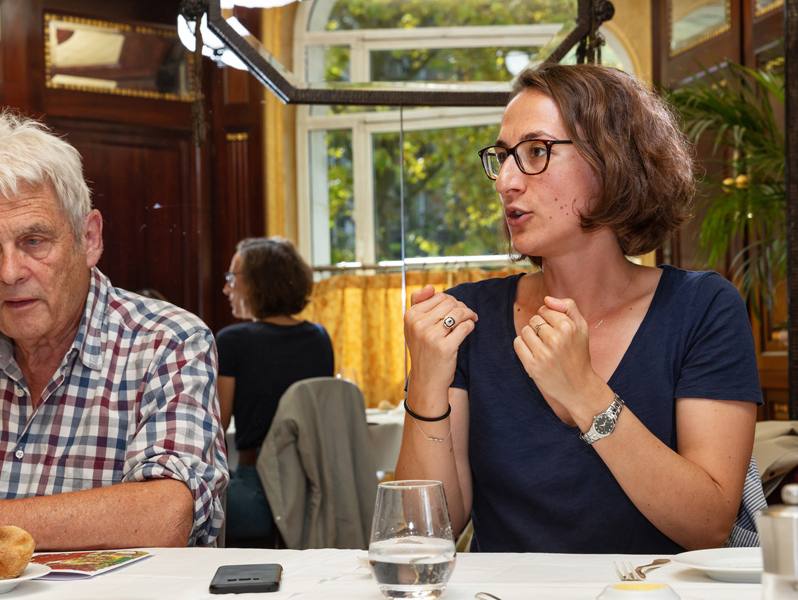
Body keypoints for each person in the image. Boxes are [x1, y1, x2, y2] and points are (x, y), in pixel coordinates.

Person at [396, 63, 765, 554]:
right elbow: (422, 540)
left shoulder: (702, 308)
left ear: (613, 159)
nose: (506, 180)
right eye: (502, 157)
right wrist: (425, 385)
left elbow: (708, 525)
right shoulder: (467, 317)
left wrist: (585, 393)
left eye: (535, 152)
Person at [0, 114, 228, 554]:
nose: (11, 272)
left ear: (89, 238)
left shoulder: (167, 342)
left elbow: (165, 515)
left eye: (34, 240)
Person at [217, 237, 334, 546]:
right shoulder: (319, 338)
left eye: (232, 278)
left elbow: (214, 424)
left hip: (257, 494)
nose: (227, 289)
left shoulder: (233, 341)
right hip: (313, 493)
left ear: (257, 282)